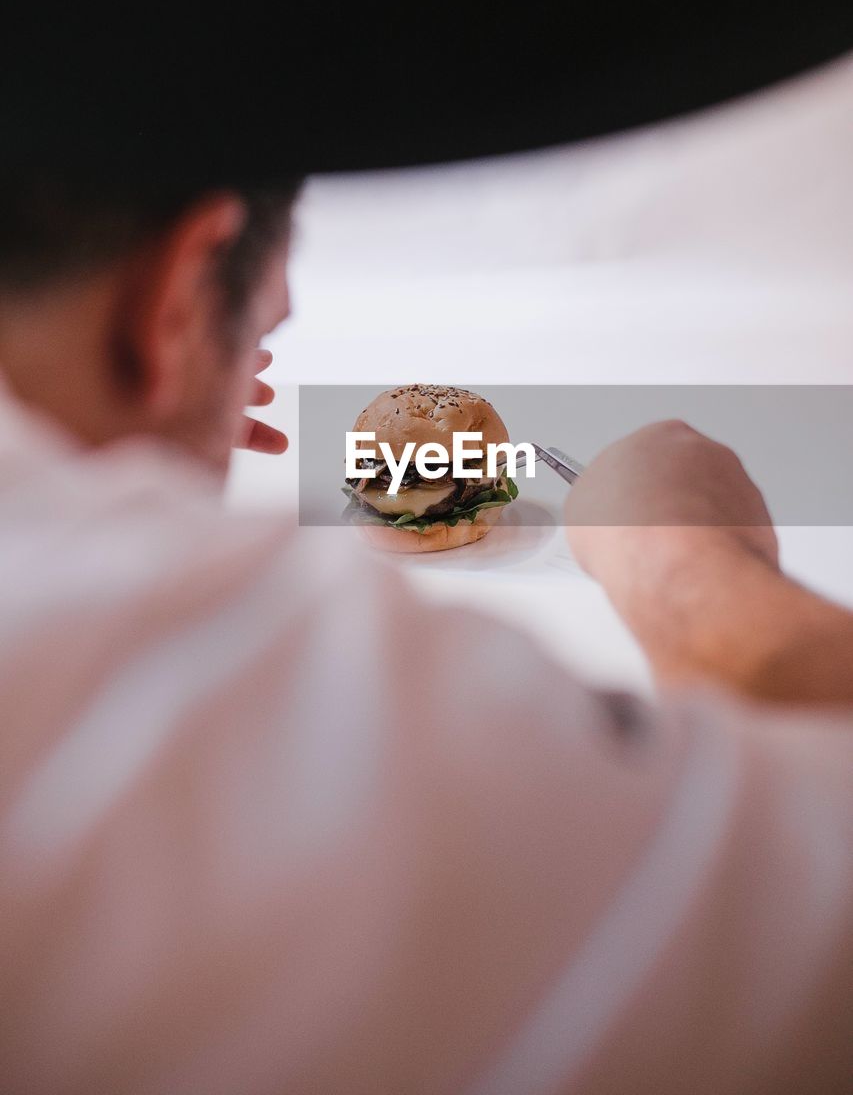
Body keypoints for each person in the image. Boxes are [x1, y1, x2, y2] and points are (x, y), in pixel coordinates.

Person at [0, 175, 850, 1095]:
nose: (262, 368)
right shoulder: (210, 690)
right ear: (175, 294)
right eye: (260, 333)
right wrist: (677, 559)